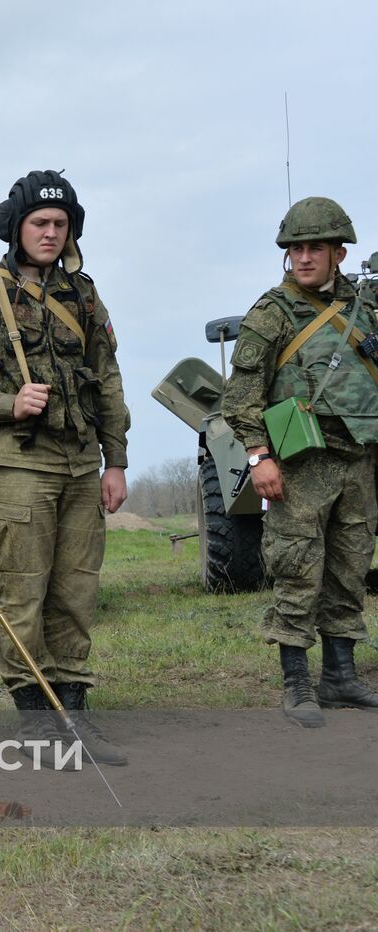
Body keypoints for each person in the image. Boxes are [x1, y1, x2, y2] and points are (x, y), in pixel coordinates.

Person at [0, 170, 129, 765]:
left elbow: (108, 379)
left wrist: (114, 459)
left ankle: (74, 713)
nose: (50, 233)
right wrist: (4, 404)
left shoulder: (84, 296)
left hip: (79, 464)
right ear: (15, 228)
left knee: (76, 592)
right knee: (23, 593)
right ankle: (36, 719)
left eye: (60, 224)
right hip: (17, 464)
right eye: (39, 223)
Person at [220, 197, 378, 727]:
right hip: (300, 464)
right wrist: (259, 456)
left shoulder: (366, 308)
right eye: (294, 249)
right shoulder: (273, 313)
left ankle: (340, 676)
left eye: (314, 248)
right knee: (297, 569)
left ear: (339, 251)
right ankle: (296, 683)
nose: (303, 258)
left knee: (350, 568)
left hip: (359, 460)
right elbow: (240, 396)